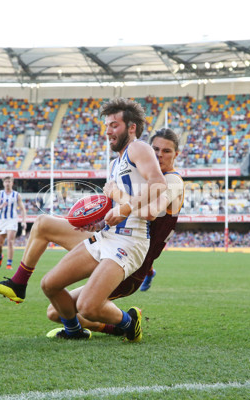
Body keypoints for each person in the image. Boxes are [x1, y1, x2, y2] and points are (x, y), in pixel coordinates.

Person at [0, 128, 184, 336]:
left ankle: (125, 324)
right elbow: (122, 216)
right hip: (113, 241)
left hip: (130, 265)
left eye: (166, 151)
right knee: (43, 227)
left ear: (176, 154)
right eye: (155, 149)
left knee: (78, 310)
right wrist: (99, 223)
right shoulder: (138, 173)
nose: (159, 155)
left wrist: (116, 194)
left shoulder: (172, 181)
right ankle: (18, 283)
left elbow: (149, 213)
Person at [40, 97, 167, 341]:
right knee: (50, 285)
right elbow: (115, 208)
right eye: (106, 125)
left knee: (88, 307)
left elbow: (158, 184)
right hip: (107, 235)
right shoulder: (114, 164)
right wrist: (98, 223)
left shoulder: (138, 148)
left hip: (130, 241)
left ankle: (130, 322)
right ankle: (74, 332)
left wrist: (126, 208)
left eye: (114, 125)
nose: (108, 131)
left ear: (131, 128)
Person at [0, 175, 26, 269]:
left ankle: (9, 264)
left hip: (12, 220)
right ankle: (0, 257)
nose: (7, 183)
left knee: (10, 241)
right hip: (2, 221)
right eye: (6, 181)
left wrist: (24, 221)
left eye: (9, 181)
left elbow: (22, 209)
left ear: (12, 183)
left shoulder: (16, 195)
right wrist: (0, 206)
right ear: (3, 183)